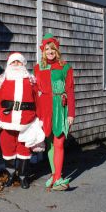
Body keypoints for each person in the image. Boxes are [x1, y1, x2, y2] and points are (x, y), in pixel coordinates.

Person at [0, 52, 45, 189]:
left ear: (23, 64)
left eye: (19, 62)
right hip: (6, 120)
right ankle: (10, 175)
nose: (16, 65)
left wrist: (40, 119)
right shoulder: (3, 81)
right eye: (13, 62)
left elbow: (38, 101)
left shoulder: (31, 81)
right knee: (7, 149)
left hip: (26, 121)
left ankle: (23, 176)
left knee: (24, 149)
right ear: (9, 65)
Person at [33, 33, 75, 191]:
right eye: (47, 49)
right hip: (44, 108)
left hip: (60, 107)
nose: (50, 51)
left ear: (56, 50)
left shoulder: (65, 67)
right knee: (49, 142)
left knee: (59, 141)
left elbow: (70, 90)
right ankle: (54, 174)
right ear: (43, 51)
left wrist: (71, 113)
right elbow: (35, 90)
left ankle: (58, 177)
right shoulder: (38, 68)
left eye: (52, 49)